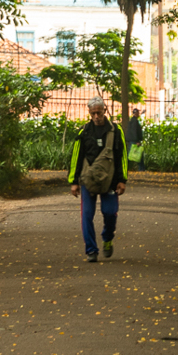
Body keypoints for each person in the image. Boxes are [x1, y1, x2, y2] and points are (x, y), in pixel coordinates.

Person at [67, 99, 128, 262]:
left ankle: (107, 238)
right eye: (93, 113)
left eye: (99, 113)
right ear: (89, 113)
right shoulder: (84, 132)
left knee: (110, 213)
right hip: (89, 181)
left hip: (111, 181)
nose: (96, 116)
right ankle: (91, 250)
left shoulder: (116, 131)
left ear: (104, 111)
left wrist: (122, 180)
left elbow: (122, 156)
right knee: (87, 215)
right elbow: (76, 157)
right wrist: (74, 181)